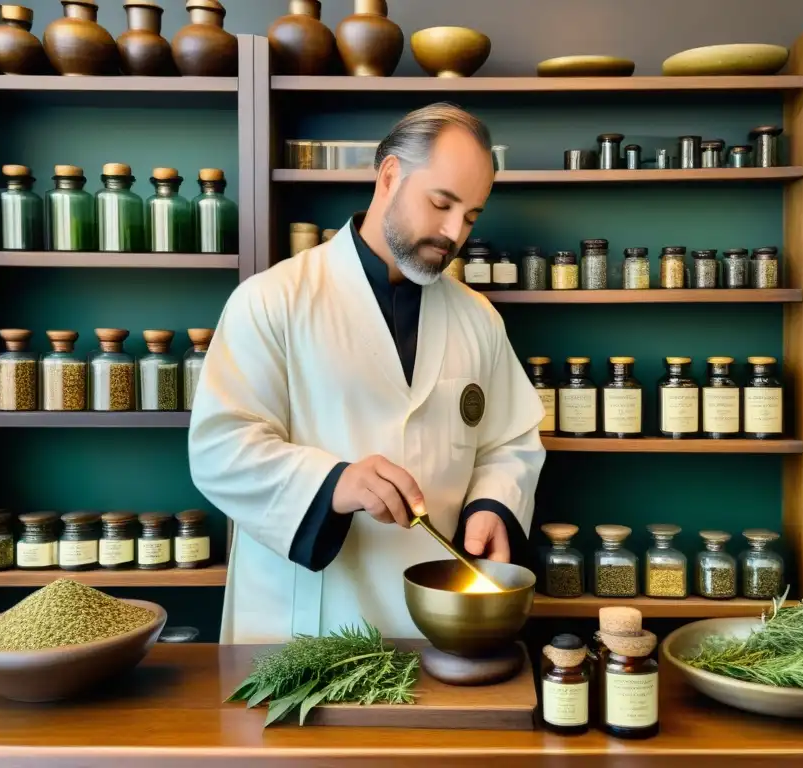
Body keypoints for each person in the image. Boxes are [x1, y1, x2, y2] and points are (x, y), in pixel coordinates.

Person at [188, 103, 546, 644]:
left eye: (471, 215)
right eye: (441, 203)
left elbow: (511, 441)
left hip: (438, 620)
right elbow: (219, 449)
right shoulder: (271, 301)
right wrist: (334, 482)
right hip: (308, 628)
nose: (454, 232)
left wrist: (493, 505)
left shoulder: (479, 318)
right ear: (389, 177)